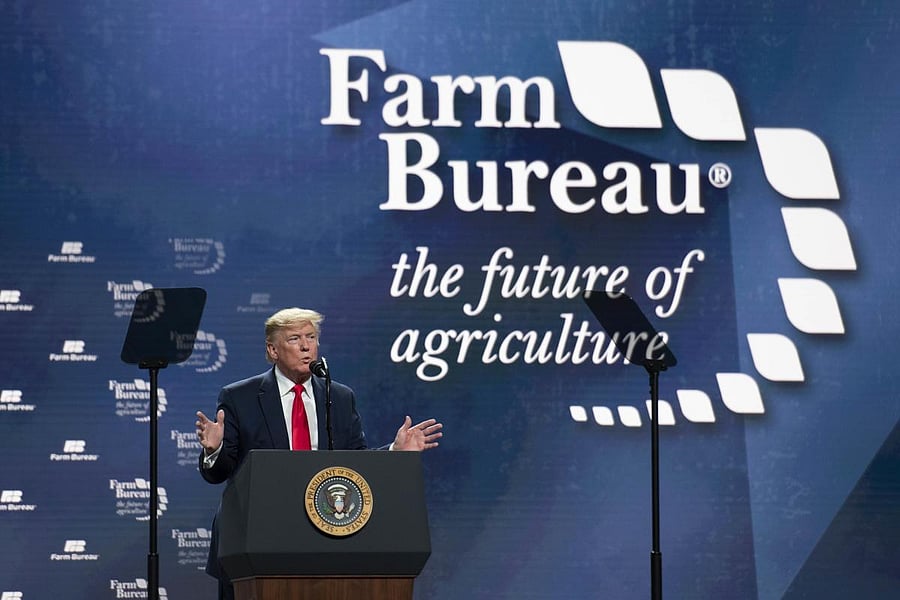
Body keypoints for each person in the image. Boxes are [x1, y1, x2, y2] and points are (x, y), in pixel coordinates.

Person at [195, 307, 442, 600]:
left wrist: (394, 451)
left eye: (311, 337)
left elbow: (355, 465)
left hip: (325, 539)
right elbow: (220, 473)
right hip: (257, 541)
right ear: (273, 350)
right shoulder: (239, 397)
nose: (305, 346)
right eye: (295, 339)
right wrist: (215, 449)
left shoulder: (339, 397)